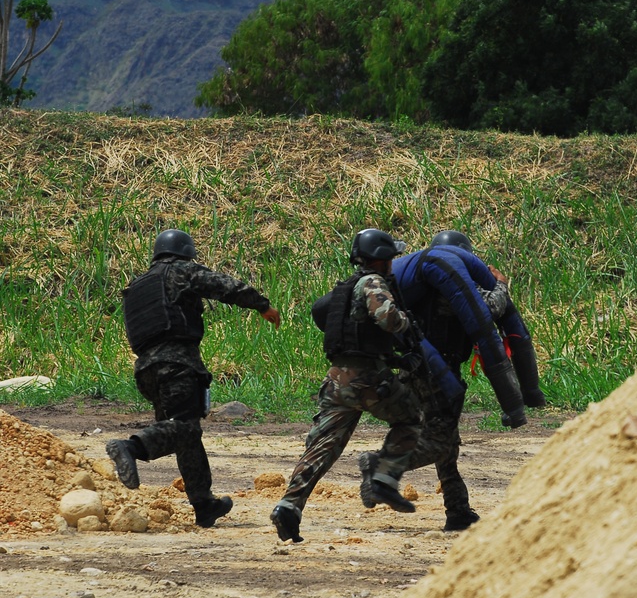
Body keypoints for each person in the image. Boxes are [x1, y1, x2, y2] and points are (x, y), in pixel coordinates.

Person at [106, 229, 281, 528]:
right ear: (187, 252)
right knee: (183, 428)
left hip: (146, 370)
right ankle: (131, 447)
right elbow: (223, 285)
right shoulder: (180, 270)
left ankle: (204, 505)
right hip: (176, 364)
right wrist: (262, 305)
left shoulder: (139, 285)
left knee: (185, 434)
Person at [372, 230, 545, 531]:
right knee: (441, 440)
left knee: (446, 440)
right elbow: (490, 308)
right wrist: (502, 285)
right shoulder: (448, 287)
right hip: (438, 373)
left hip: (415, 370)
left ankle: (458, 510)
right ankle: (379, 469)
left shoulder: (421, 286)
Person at [270, 228, 423, 543]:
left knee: (323, 446)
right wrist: (408, 324)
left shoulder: (345, 288)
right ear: (380, 260)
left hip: (338, 380)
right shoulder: (373, 283)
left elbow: (355, 338)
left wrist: (395, 360)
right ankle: (384, 477)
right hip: (368, 380)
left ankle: (289, 506)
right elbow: (389, 320)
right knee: (409, 418)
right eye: (391, 257)